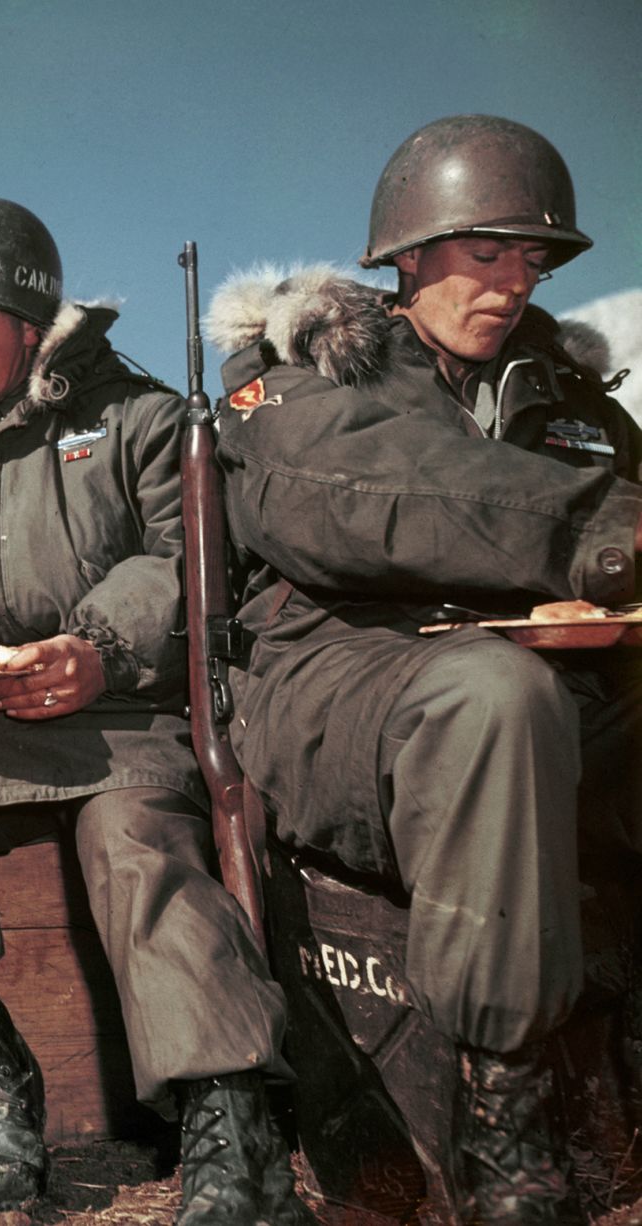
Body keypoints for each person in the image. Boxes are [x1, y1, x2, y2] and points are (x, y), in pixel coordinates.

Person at [0, 198, 311, 1221]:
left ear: (32, 327)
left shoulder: (141, 422)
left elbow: (187, 563)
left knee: (136, 840)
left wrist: (100, 647)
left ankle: (223, 1115)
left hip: (109, 714)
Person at [204, 114, 642, 1224]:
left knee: (525, 692)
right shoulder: (301, 371)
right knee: (493, 695)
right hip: (342, 680)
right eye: (483, 253)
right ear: (409, 255)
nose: (511, 282)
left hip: (552, 682)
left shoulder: (578, 404)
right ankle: (502, 1120)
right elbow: (349, 500)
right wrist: (593, 530)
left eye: (530, 259)